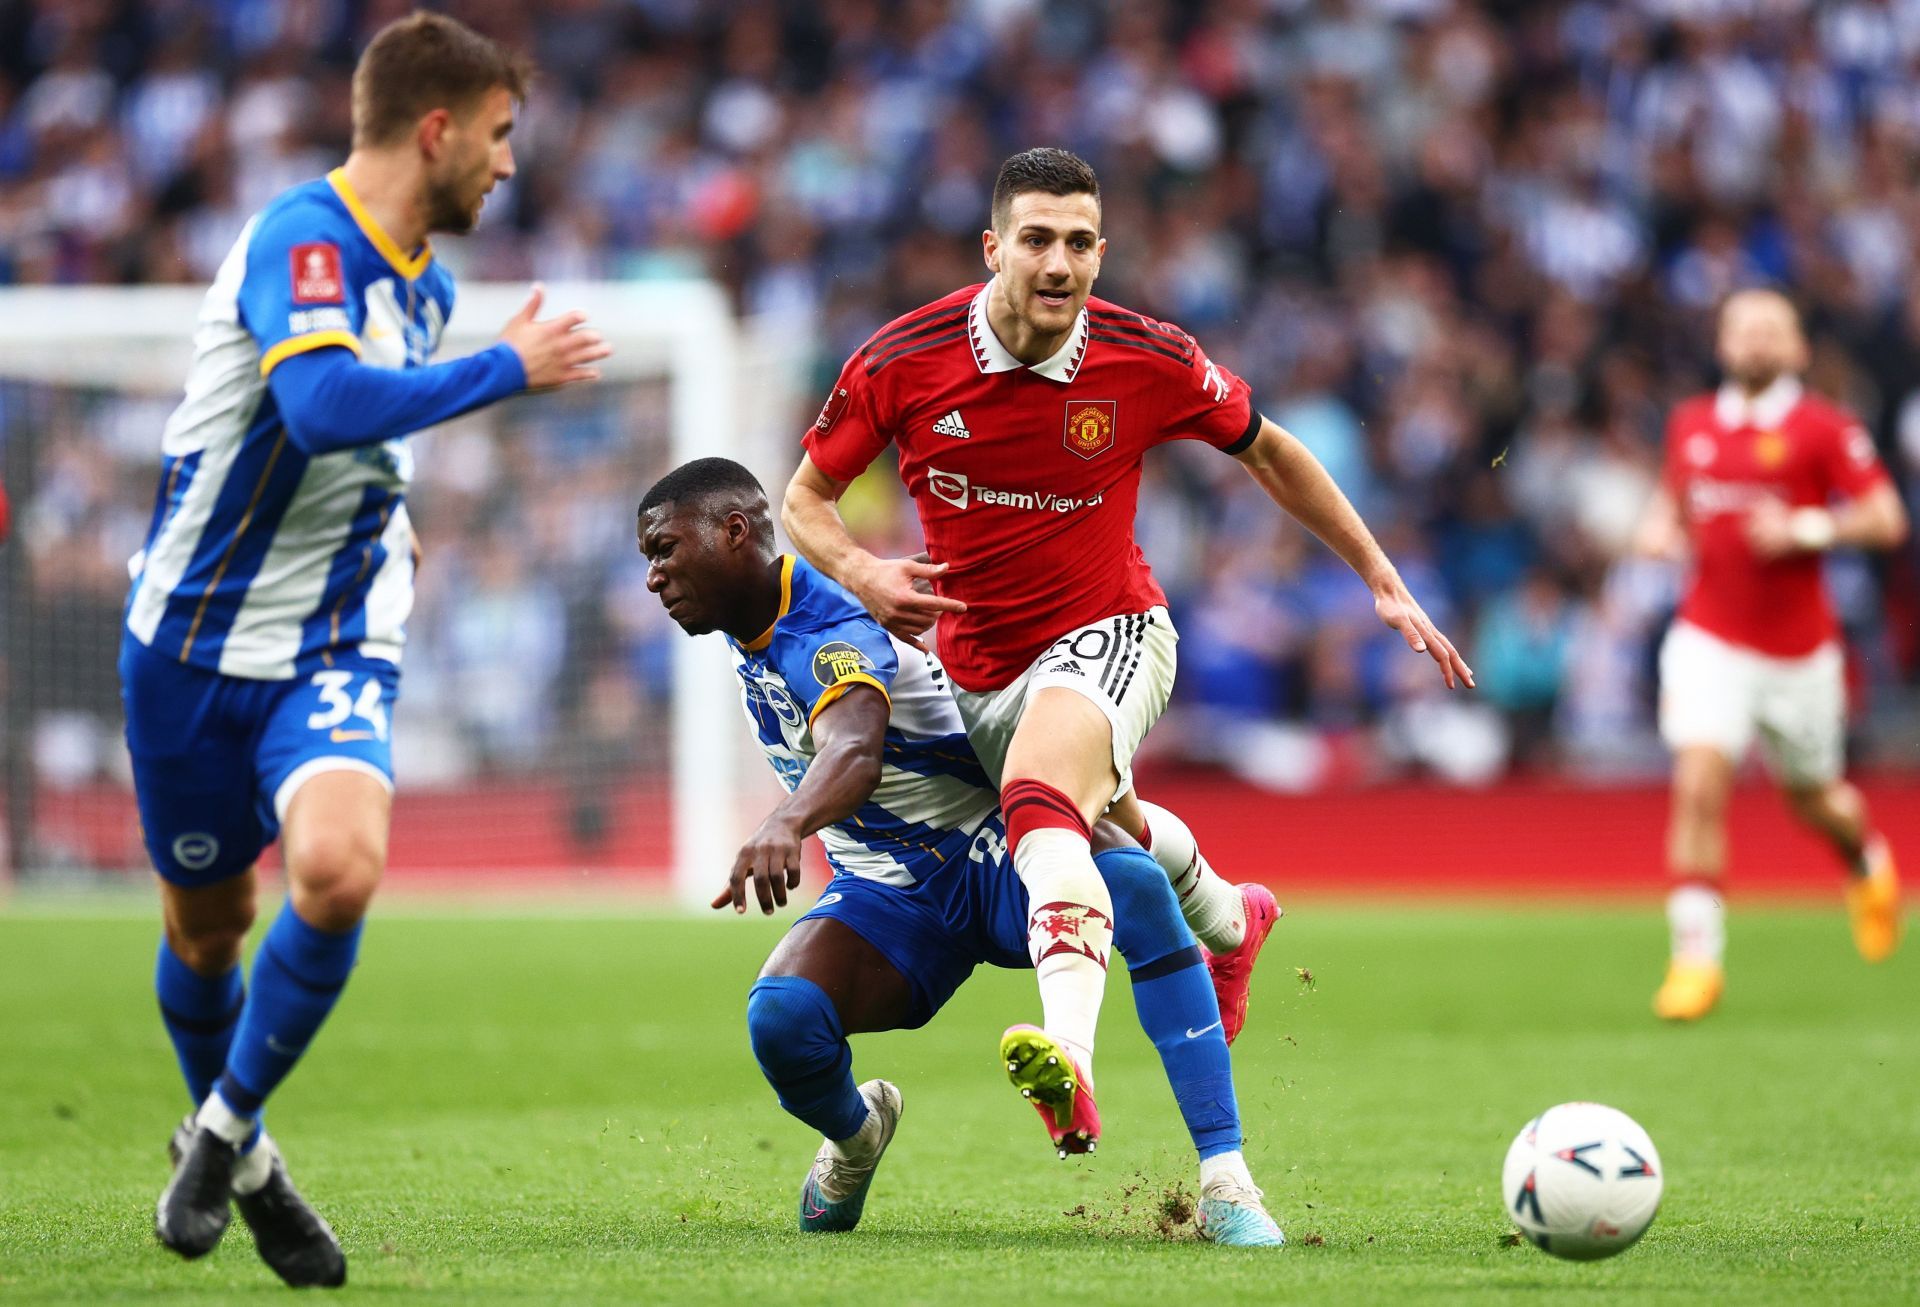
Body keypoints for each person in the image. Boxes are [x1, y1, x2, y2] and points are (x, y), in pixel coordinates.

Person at [781, 148, 1470, 1152]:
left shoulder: (1145, 355)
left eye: (1077, 243)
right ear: (994, 248)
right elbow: (805, 499)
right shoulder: (901, 358)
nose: (1057, 263)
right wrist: (865, 571)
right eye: (1036, 240)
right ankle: (1234, 917)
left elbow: (1271, 450)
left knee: (1039, 804)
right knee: (1113, 835)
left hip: (1113, 629)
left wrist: (1381, 577)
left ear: (1100, 253)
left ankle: (1072, 1064)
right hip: (979, 664)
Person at [122, 13, 608, 1286]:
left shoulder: (426, 284)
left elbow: (367, 450)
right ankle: (256, 1162)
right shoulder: (303, 238)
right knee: (210, 922)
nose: (508, 166)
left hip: (333, 639)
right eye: (499, 136)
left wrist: (400, 533)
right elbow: (320, 404)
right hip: (185, 641)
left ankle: (218, 1129)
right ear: (436, 128)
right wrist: (505, 368)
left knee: (337, 871)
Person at [639, 457, 1284, 1246]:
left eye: (665, 549)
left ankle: (1226, 1181)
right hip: (891, 895)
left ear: (734, 531)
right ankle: (857, 1134)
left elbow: (854, 750)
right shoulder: (756, 631)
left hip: (996, 849)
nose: (654, 577)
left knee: (1136, 887)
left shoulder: (827, 620)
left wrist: (786, 821)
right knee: (781, 1019)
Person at [1635, 289, 1907, 1022]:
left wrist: (1806, 529)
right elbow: (1673, 500)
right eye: (1743, 331)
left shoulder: (1825, 427)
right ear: (1722, 345)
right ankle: (1696, 958)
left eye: (1771, 332)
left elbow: (1887, 518)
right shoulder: (1690, 424)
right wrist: (1656, 528)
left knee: (1812, 798)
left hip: (1798, 653)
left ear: (1796, 348)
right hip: (1708, 636)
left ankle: (1867, 862)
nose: (1756, 343)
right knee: (1699, 777)